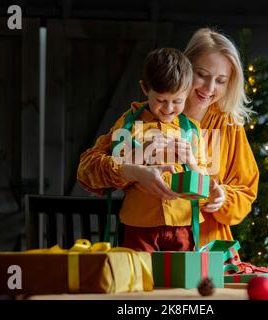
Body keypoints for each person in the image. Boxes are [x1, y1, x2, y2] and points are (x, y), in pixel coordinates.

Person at [78, 28, 259, 248]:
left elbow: (246, 192)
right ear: (185, 68)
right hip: (144, 238)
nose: (210, 89)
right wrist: (132, 167)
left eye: (221, 80)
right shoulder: (139, 121)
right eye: (202, 75)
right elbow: (87, 171)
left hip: (208, 251)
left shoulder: (228, 125)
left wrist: (218, 196)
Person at [78, 47, 219, 252]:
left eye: (177, 101)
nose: (169, 108)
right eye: (161, 100)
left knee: (181, 284)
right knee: (138, 281)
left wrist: (193, 164)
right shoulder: (128, 125)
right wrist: (134, 159)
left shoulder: (193, 130)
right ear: (145, 88)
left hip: (184, 228)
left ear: (187, 92)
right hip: (138, 227)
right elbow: (88, 171)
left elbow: (205, 188)